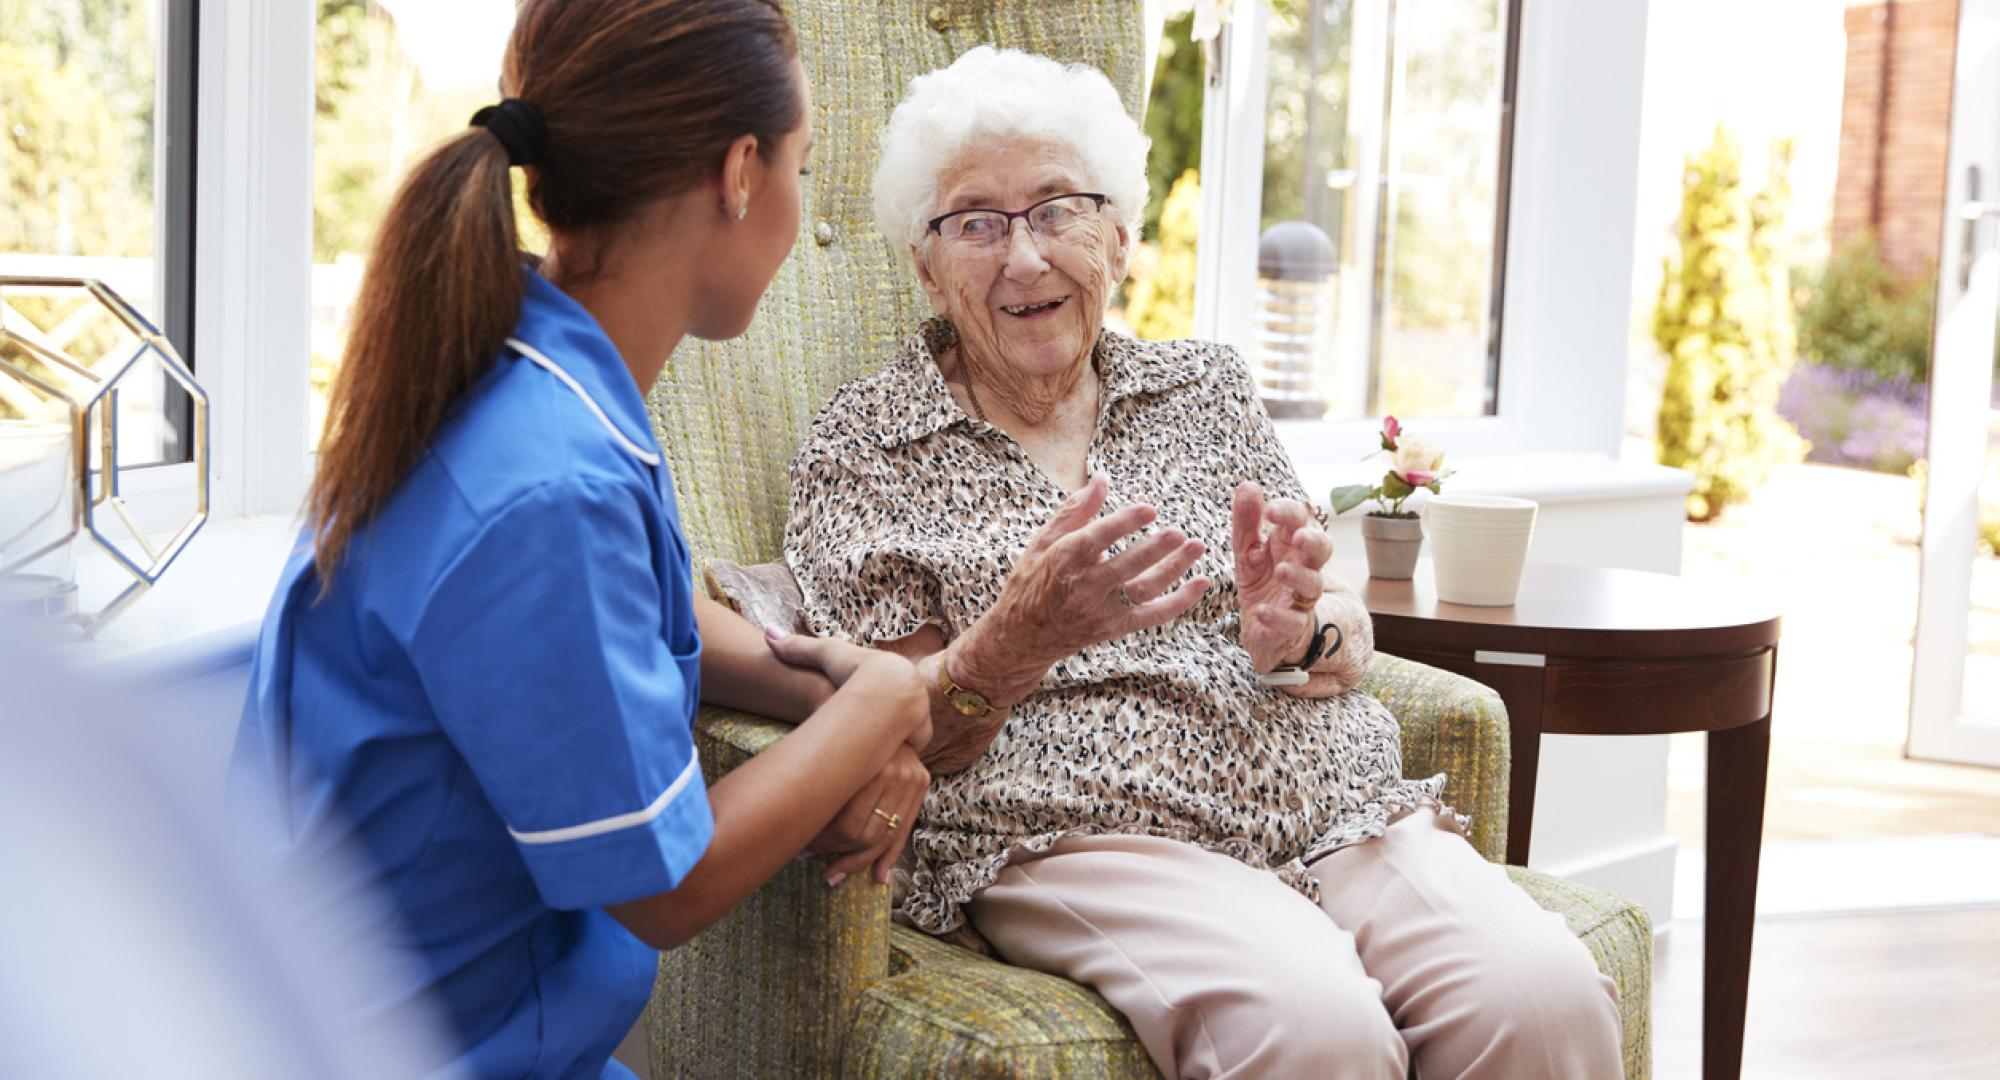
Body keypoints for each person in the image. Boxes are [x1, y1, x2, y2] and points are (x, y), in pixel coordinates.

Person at [782, 46, 1623, 1079]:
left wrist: (1299, 629)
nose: (1023, 256)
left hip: (1327, 798)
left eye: (1057, 209)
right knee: (1314, 1030)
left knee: (1540, 1001)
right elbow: (891, 727)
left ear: (1120, 237)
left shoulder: (1206, 392)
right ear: (925, 262)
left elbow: (1336, 627)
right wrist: (1011, 641)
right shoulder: (868, 444)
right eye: (975, 222)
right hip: (1078, 827)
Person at [230, 3, 930, 1077]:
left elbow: (605, 632)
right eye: (799, 163)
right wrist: (882, 703)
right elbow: (665, 888)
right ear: (739, 172)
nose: (795, 205)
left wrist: (818, 690)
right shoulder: (547, 487)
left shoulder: (516, 367)